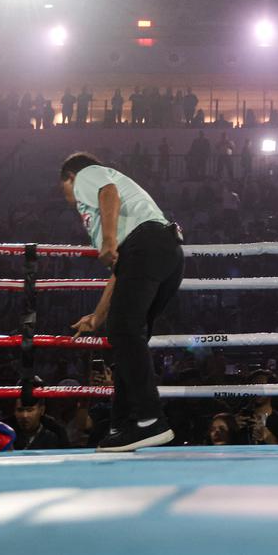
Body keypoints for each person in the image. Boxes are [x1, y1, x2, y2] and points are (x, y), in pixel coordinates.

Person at [61, 152, 183, 452]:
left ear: (69, 178)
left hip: (147, 247)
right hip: (164, 253)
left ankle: (151, 420)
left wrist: (109, 240)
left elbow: (108, 192)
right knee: (129, 338)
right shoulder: (114, 212)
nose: (67, 196)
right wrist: (98, 315)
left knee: (125, 332)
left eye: (63, 187)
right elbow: (121, 270)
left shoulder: (87, 174)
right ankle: (124, 425)